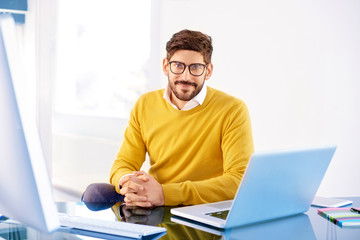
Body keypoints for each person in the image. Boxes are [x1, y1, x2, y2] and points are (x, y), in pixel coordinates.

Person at [83, 29, 253, 208]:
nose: (185, 76)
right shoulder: (145, 104)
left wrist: (165, 194)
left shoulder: (232, 109)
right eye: (178, 66)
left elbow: (239, 180)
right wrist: (127, 182)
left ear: (208, 71)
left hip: (202, 207)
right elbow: (124, 162)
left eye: (195, 67)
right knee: (95, 194)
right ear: (166, 66)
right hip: (152, 204)